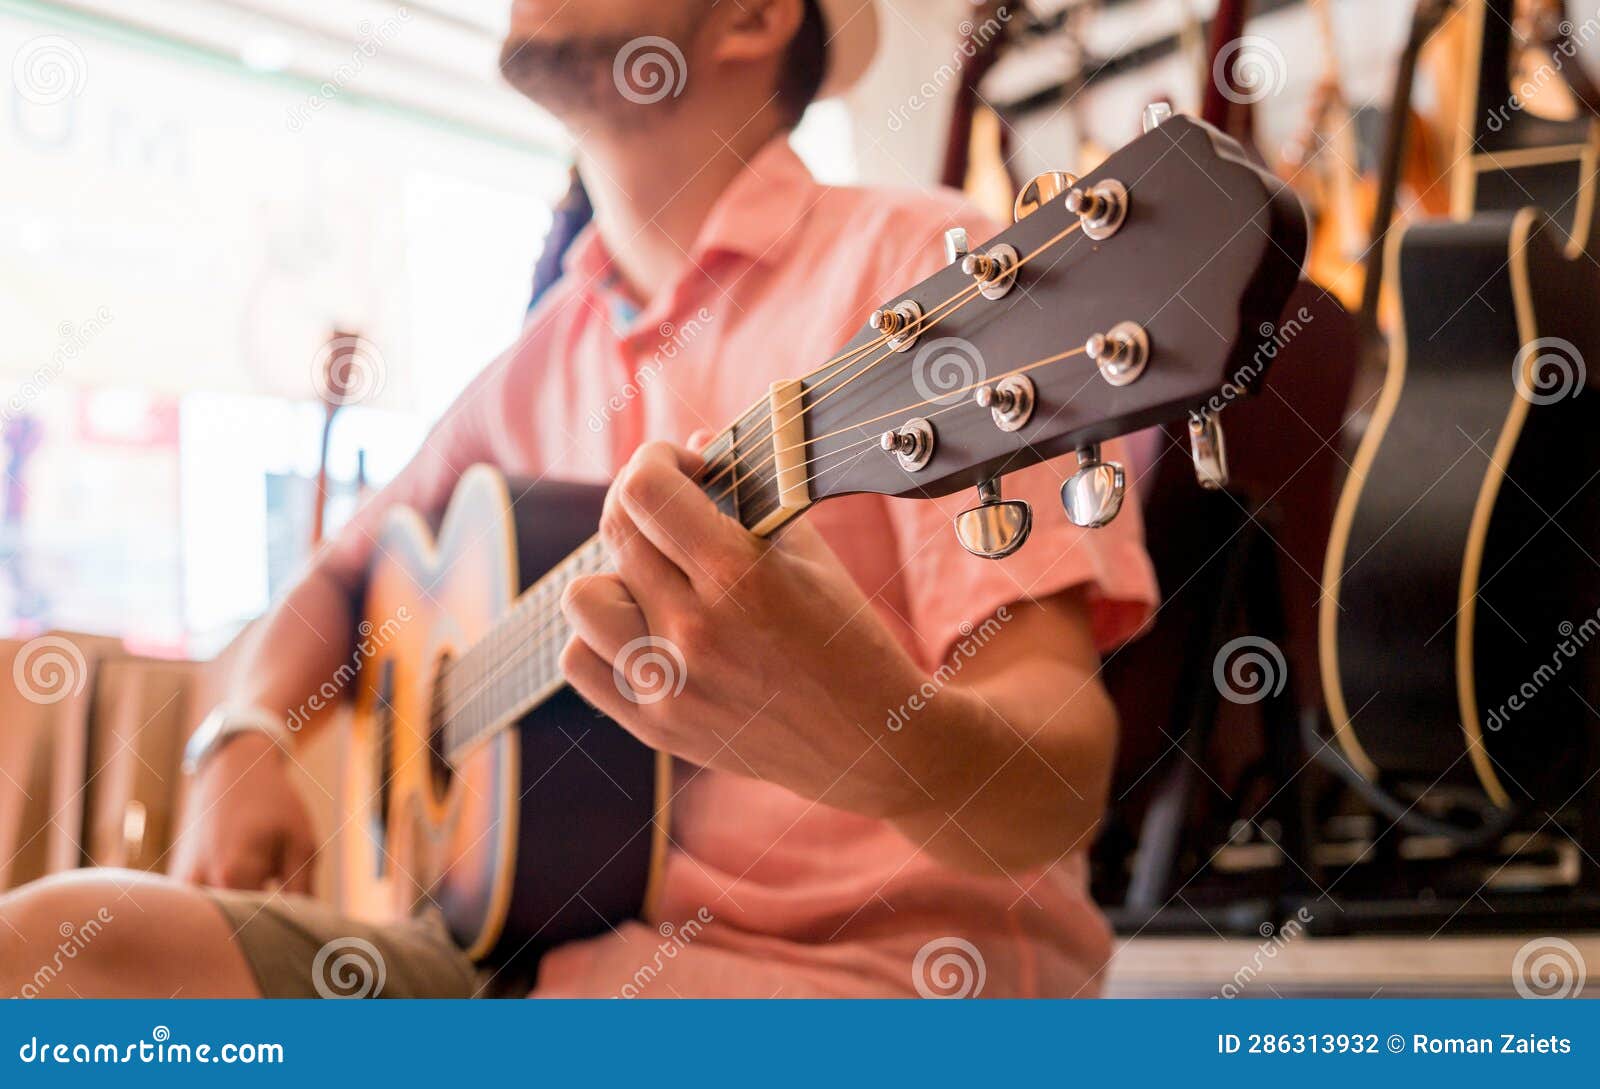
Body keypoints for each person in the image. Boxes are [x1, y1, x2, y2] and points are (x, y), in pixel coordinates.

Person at [0, 0, 1155, 998]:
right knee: (47, 949)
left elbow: (1057, 786)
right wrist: (238, 737)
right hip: (517, 958)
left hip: (845, 989)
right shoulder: (534, 360)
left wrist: (881, 746)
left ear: (752, 18)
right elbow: (335, 575)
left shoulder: (925, 273)